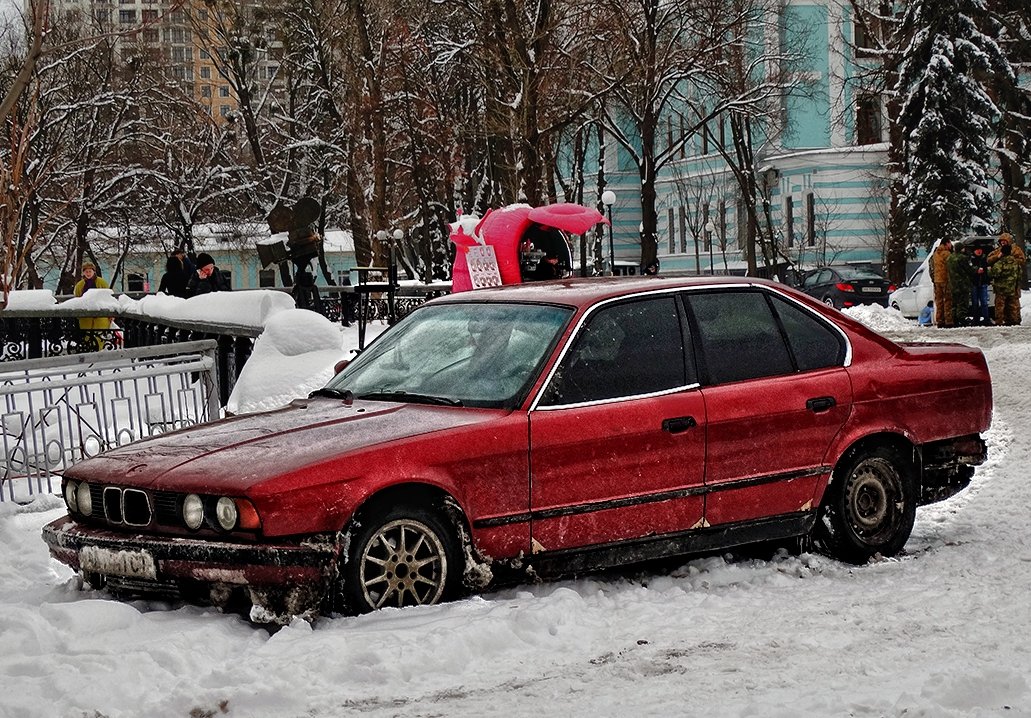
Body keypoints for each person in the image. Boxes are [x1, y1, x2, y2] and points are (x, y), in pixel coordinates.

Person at [73, 261, 112, 350]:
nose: (88, 273)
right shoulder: (80, 285)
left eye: (90, 271)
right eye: (86, 271)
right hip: (86, 314)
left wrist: (110, 314)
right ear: (83, 273)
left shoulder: (101, 282)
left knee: (99, 332)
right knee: (86, 333)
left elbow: (108, 297)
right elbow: (78, 299)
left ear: (94, 271)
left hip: (101, 313)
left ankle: (99, 350)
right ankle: (88, 348)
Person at [989, 243, 1022, 326]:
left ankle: (999, 321)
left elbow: (994, 273)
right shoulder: (1016, 262)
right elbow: (1020, 274)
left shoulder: (1000, 262)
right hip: (1012, 288)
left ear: (1002, 252)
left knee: (1000, 306)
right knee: (1012, 305)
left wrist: (989, 269)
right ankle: (1014, 320)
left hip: (1001, 288)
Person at [946, 244, 973, 326]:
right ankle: (962, 319)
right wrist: (977, 270)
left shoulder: (949, 258)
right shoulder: (962, 258)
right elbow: (968, 269)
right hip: (962, 284)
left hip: (953, 284)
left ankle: (954, 319)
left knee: (954, 303)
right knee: (963, 303)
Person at [930, 238, 953, 327]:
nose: (951, 245)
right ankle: (948, 321)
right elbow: (951, 266)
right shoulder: (946, 254)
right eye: (950, 243)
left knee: (939, 301)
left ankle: (940, 320)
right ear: (947, 243)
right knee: (947, 300)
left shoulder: (935, 253)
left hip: (937, 280)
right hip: (945, 279)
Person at [969, 246, 991, 324]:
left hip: (983, 283)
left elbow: (988, 270)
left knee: (984, 302)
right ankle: (976, 319)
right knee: (975, 303)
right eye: (977, 249)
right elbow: (969, 270)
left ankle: (986, 319)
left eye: (980, 249)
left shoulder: (985, 259)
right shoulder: (970, 259)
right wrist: (976, 271)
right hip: (974, 284)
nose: (979, 251)